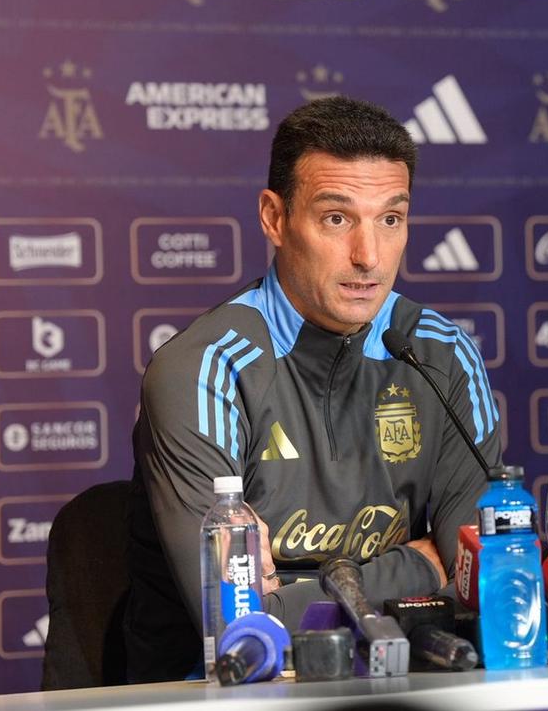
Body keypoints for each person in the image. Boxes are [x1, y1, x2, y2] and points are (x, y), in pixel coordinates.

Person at [125, 96, 501, 682]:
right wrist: (421, 564)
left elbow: (487, 577)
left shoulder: (441, 355)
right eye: (336, 218)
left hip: (397, 681)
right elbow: (240, 632)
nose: (368, 256)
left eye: (390, 219)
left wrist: (293, 596)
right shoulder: (204, 368)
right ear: (275, 219)